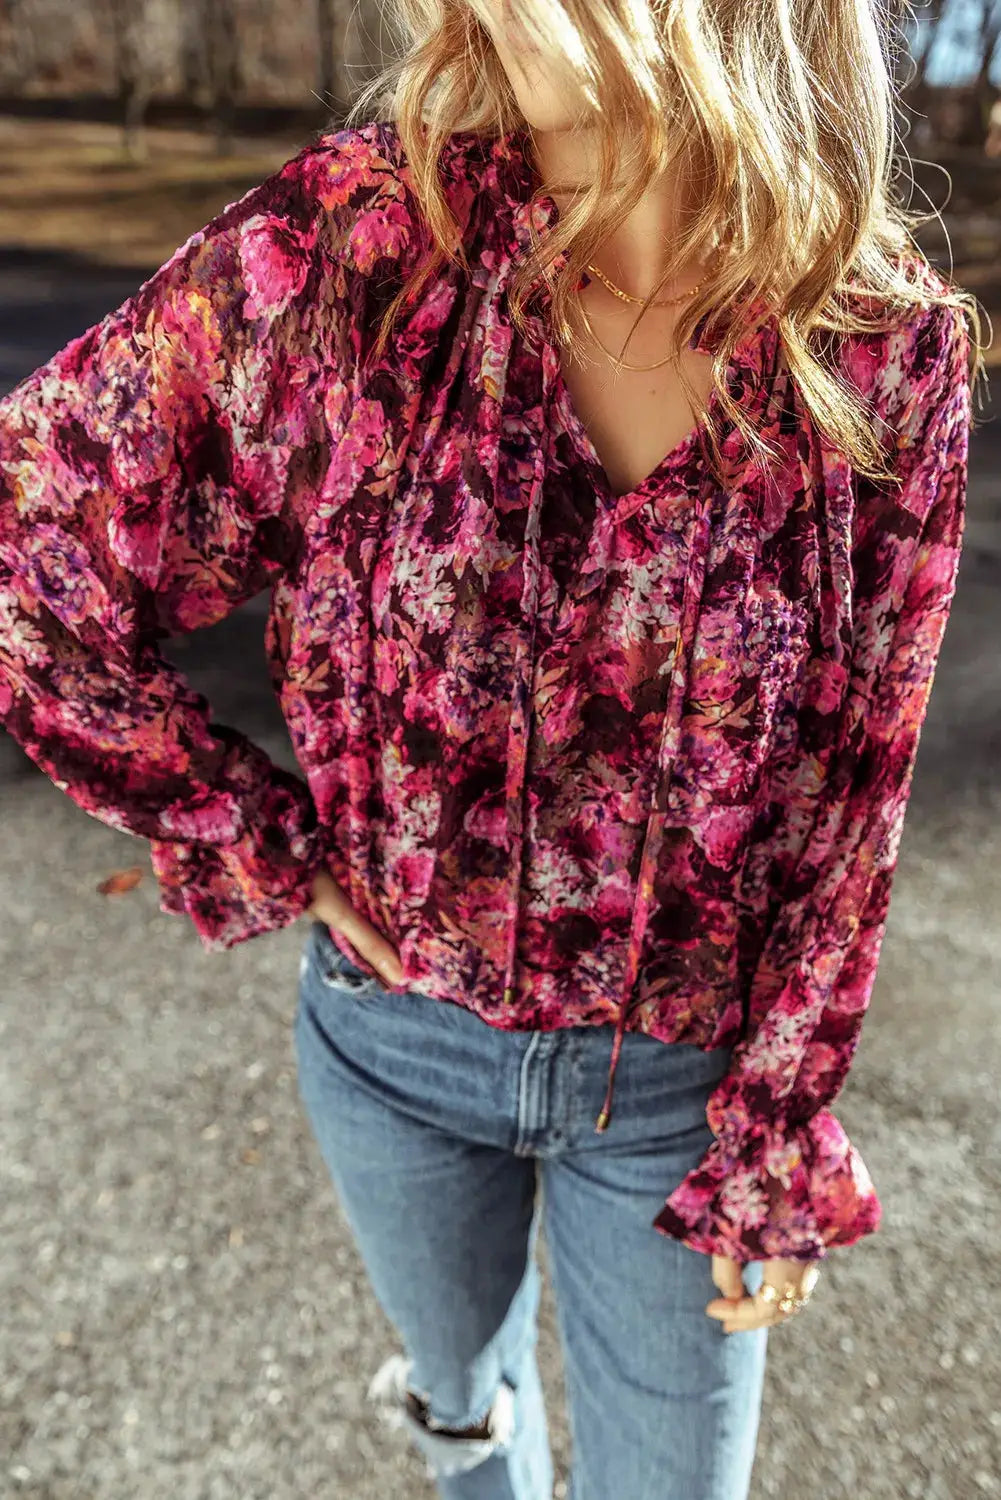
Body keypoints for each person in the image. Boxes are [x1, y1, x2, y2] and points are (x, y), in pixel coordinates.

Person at [0, 2, 984, 1497]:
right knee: (465, 1408)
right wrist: (248, 833)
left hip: (677, 1090)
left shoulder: (880, 351)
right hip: (393, 1041)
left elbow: (855, 798)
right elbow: (32, 548)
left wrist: (778, 1127)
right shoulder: (362, 255)